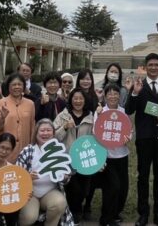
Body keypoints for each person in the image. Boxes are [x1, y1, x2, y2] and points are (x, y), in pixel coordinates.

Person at [124, 53, 158, 226]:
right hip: (145, 138)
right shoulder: (139, 86)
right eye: (150, 65)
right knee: (143, 177)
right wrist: (135, 94)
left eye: (156, 65)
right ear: (145, 67)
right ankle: (143, 213)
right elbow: (129, 111)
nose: (153, 67)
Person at [16, 119, 68, 226]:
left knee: (60, 203)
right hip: (30, 193)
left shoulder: (58, 151)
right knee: (29, 217)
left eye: (49, 130)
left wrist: (64, 177)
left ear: (53, 134)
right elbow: (17, 176)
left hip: (50, 191)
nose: (45, 133)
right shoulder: (28, 151)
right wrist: (27, 177)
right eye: (42, 130)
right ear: (36, 133)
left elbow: (66, 179)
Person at [54, 88, 94, 224]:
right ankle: (74, 212)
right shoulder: (63, 116)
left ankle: (76, 209)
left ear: (85, 100)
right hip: (67, 159)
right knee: (73, 188)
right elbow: (53, 138)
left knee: (84, 189)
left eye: (81, 98)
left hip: (85, 158)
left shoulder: (91, 117)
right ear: (71, 100)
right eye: (75, 98)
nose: (78, 101)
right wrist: (64, 127)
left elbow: (96, 138)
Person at [94, 84, 132, 226]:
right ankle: (106, 219)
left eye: (115, 93)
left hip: (122, 155)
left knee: (123, 188)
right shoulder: (100, 112)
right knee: (112, 187)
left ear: (119, 96)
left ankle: (115, 214)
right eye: (109, 93)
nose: (113, 96)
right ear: (105, 96)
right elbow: (95, 131)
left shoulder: (123, 112)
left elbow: (129, 130)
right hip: (106, 156)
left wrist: (128, 138)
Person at [0, 73, 35, 164]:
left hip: (23, 150)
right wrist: (2, 118)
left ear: (24, 86)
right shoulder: (1, 103)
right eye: (14, 84)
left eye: (19, 84)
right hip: (4, 150)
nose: (17, 87)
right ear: (8, 87)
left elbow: (32, 127)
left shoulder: (30, 104)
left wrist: (31, 147)